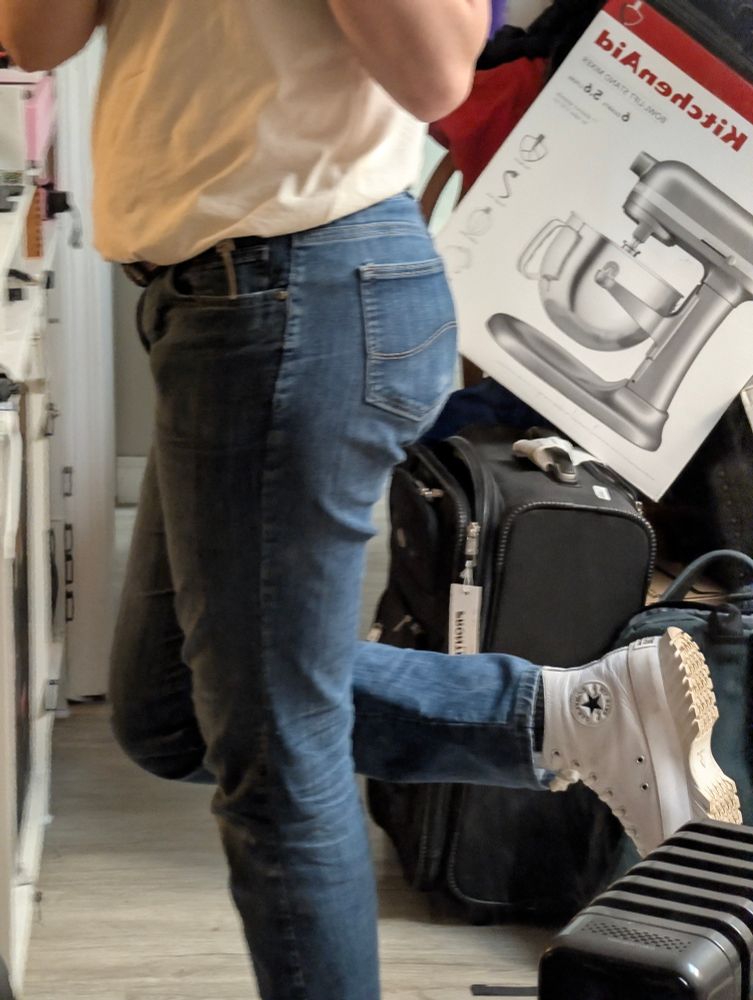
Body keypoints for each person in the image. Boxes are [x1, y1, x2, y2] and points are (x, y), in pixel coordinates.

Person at [1, 3, 741, 999]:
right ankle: (571, 714)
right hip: (202, 299)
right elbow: (35, 38)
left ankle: (575, 716)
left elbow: (439, 72)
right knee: (171, 708)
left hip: (298, 286)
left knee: (277, 764)